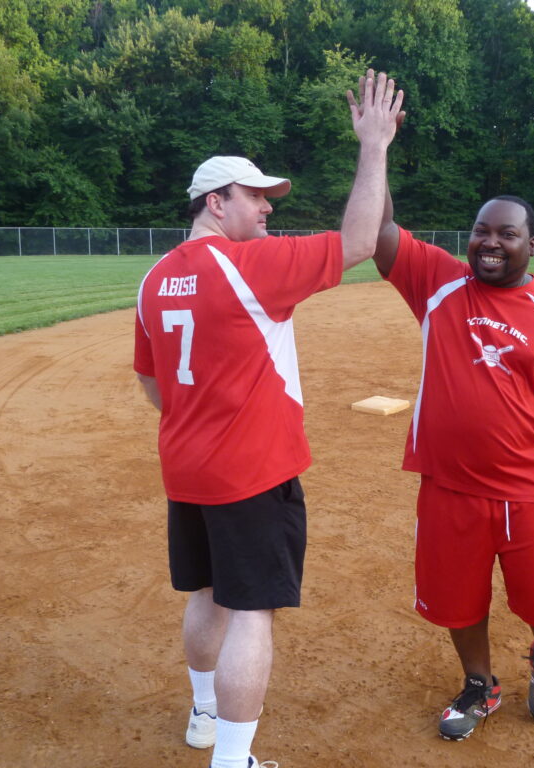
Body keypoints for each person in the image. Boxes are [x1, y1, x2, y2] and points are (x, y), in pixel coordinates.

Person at [133, 70, 403, 768]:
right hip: (250, 468)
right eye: (256, 197)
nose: (267, 209)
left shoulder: (155, 277)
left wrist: (199, 417)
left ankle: (201, 714)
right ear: (216, 203)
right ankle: (232, 759)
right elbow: (357, 241)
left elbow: (149, 381)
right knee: (252, 611)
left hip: (185, 467)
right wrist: (373, 147)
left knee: (207, 593)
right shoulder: (247, 270)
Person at [372, 188, 534, 741]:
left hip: (528, 485)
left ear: (531, 245)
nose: (490, 243)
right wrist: (376, 147)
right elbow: (380, 232)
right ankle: (479, 682)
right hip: (448, 486)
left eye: (506, 234)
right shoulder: (439, 284)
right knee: (455, 599)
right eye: (481, 230)